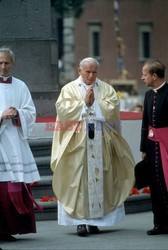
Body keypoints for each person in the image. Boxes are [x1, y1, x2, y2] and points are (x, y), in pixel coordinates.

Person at [51, 57, 135, 236]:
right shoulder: (69, 89)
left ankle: (96, 221)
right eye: (87, 72)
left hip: (101, 141)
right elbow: (63, 110)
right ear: (79, 71)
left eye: (94, 72)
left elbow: (113, 109)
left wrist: (94, 104)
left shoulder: (106, 88)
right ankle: (80, 223)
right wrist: (84, 104)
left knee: (101, 177)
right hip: (76, 143)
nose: (90, 75)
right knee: (77, 180)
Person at [0, 46, 41, 242]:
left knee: (10, 189)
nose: (3, 66)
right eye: (0, 62)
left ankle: (8, 229)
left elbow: (30, 112)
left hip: (15, 142)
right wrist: (1, 116)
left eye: (7, 62)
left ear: (13, 64)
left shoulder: (20, 86)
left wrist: (17, 112)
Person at [140, 59, 168, 235]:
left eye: (145, 74)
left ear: (154, 76)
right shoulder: (148, 95)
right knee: (155, 185)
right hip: (152, 147)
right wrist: (143, 148)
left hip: (166, 145)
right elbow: (145, 123)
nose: (142, 78)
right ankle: (160, 223)